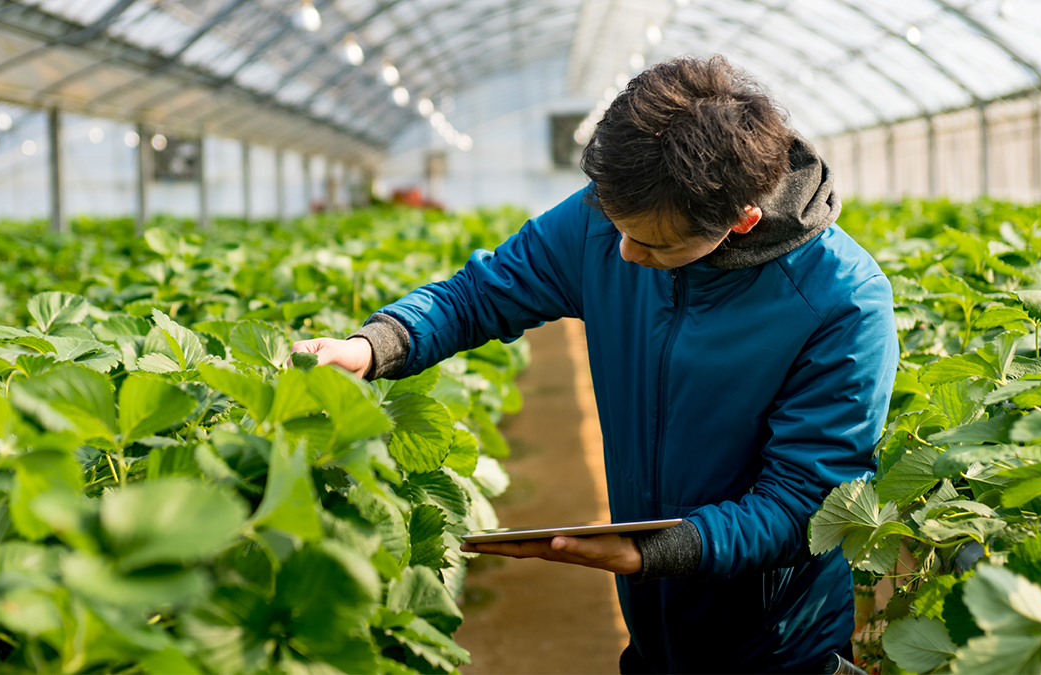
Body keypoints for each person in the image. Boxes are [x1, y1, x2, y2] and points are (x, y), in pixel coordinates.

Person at [291, 56, 897, 675]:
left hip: (774, 646)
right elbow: (481, 293)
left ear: (740, 222)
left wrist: (661, 549)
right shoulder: (608, 215)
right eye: (616, 229)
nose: (624, 255)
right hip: (651, 627)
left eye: (655, 244)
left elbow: (807, 503)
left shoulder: (840, 301)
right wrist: (373, 346)